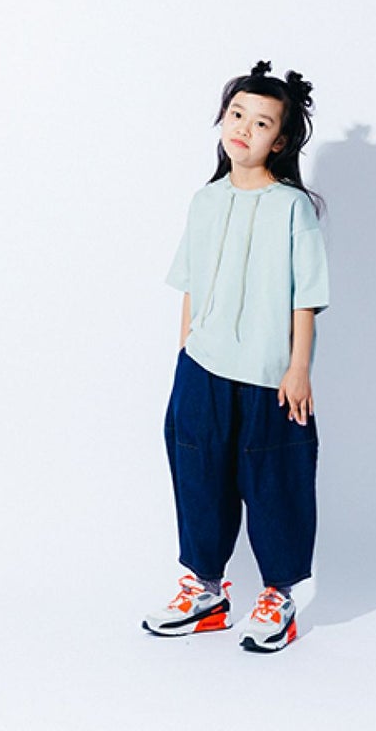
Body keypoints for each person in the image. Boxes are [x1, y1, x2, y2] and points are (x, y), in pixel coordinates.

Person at [142, 60, 330, 653]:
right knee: (198, 476)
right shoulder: (205, 201)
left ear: (281, 141)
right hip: (201, 368)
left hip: (269, 375)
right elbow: (191, 284)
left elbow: (306, 296)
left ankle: (279, 596)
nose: (244, 128)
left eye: (262, 122)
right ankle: (205, 592)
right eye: (236, 114)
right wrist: (184, 360)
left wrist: (298, 368)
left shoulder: (292, 207)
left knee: (276, 482)